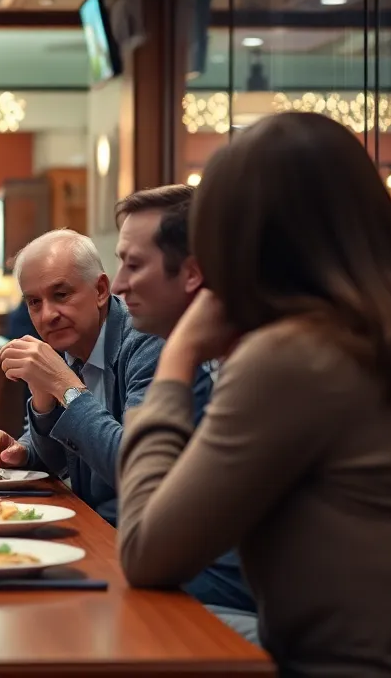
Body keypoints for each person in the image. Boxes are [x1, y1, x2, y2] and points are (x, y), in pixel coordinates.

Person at [117, 112, 391, 676]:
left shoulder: (295, 355)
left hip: (346, 665)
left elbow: (147, 553)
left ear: (244, 243)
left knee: (123, 630)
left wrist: (178, 356)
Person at [111, 185, 256, 635]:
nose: (117, 285)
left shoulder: (265, 360)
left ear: (192, 272)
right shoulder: (229, 355)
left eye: (133, 265)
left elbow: (145, 551)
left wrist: (179, 350)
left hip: (297, 629)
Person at [0, 229, 161, 525]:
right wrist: (23, 449)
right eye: (34, 302)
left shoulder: (147, 341)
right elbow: (59, 459)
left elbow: (135, 468)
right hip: (88, 522)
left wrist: (65, 385)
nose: (47, 315)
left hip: (140, 535)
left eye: (61, 295)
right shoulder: (66, 343)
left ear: (100, 290)